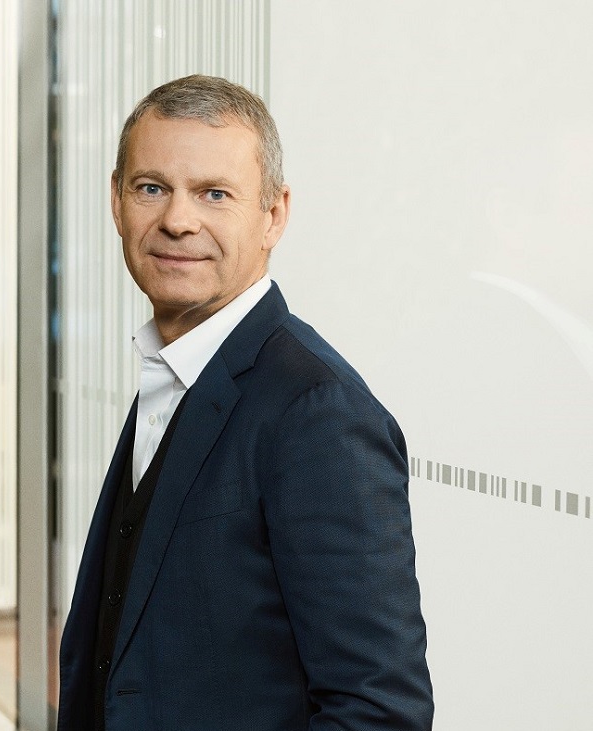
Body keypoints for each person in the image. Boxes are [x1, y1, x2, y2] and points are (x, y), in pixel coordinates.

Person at [57, 74, 433, 731]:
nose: (178, 220)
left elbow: (378, 711)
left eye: (214, 193)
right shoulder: (174, 370)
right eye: (152, 188)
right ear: (116, 202)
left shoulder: (318, 412)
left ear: (273, 216)